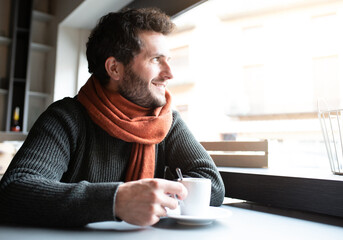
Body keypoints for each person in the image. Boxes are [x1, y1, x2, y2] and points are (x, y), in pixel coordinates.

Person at [0, 8, 225, 227]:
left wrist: (155, 197)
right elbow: (14, 190)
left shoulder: (167, 121)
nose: (169, 73)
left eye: (168, 60)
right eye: (156, 59)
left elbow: (211, 185)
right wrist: (116, 200)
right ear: (114, 68)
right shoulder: (66, 117)